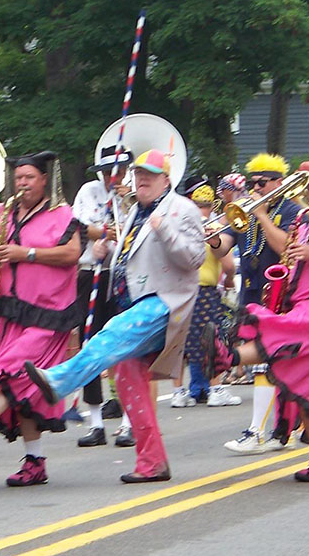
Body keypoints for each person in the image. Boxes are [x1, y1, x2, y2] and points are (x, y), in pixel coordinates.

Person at [17, 150, 205, 484]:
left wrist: (164, 230)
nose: (142, 179)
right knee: (127, 382)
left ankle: (59, 382)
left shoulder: (181, 209)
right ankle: (152, 463)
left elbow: (194, 259)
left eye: (149, 174)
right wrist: (108, 252)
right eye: (138, 174)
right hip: (133, 303)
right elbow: (135, 259)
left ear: (166, 179)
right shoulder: (135, 210)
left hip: (164, 303)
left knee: (110, 334)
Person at [205, 168, 309, 482]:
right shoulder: (308, 223)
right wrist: (262, 218)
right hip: (307, 305)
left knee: (285, 330)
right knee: (305, 386)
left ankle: (231, 356)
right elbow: (285, 248)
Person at [0, 152, 83, 486]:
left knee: (15, 368)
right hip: (12, 308)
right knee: (26, 391)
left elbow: (72, 254)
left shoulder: (61, 214)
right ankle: (34, 461)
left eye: (29, 178)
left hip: (50, 311)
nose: (22, 184)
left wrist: (25, 253)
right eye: (19, 178)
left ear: (44, 180)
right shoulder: (6, 214)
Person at [219, 154, 302, 455]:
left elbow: (286, 248)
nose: (254, 188)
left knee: (271, 362)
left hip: (280, 294)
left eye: (262, 183)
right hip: (252, 295)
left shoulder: (293, 210)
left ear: (278, 182)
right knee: (268, 363)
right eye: (252, 183)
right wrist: (210, 239)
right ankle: (281, 429)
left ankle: (260, 431)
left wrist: (264, 215)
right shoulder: (244, 211)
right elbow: (222, 248)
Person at [69, 145, 132, 446]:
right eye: (107, 172)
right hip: (90, 272)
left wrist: (115, 222)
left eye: (117, 171)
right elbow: (79, 227)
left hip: (122, 272)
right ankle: (95, 421)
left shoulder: (133, 193)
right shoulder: (88, 191)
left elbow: (134, 230)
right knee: (90, 345)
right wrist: (100, 236)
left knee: (125, 345)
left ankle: (129, 420)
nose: (111, 177)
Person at [171, 181, 240, 408]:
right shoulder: (212, 226)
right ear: (211, 205)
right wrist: (229, 280)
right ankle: (216, 388)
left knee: (179, 341)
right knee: (210, 339)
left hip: (179, 288)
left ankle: (179, 392)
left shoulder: (178, 225)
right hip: (204, 289)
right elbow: (229, 264)